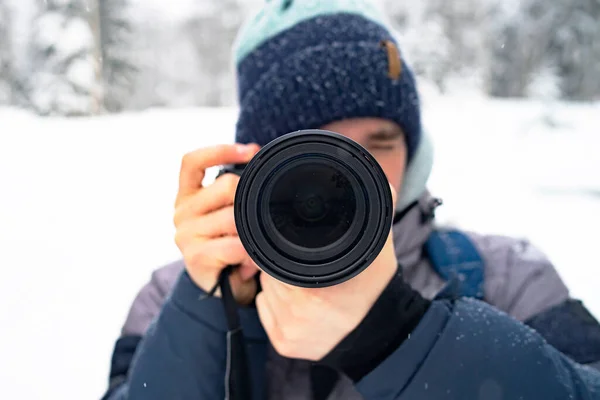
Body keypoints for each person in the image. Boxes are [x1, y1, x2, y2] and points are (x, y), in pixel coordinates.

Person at [101, 1, 600, 399]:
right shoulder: (171, 293)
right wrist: (206, 310)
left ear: (413, 152)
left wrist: (402, 340)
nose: (348, 173)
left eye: (379, 142)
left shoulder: (507, 278)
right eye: (316, 149)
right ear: (254, 161)